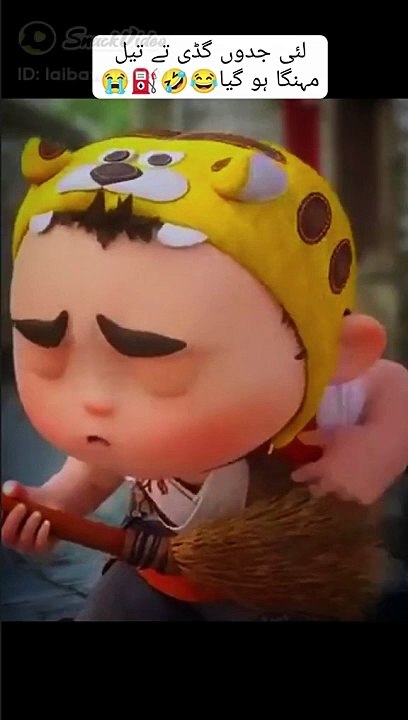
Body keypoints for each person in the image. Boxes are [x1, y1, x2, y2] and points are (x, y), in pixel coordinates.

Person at [3, 131, 408, 621]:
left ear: (336, 352)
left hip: (279, 590)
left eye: (156, 362)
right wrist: (56, 502)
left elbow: (395, 387)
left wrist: (373, 451)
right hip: (150, 576)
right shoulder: (118, 431)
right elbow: (98, 467)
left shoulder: (327, 394)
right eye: (48, 354)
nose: (95, 400)